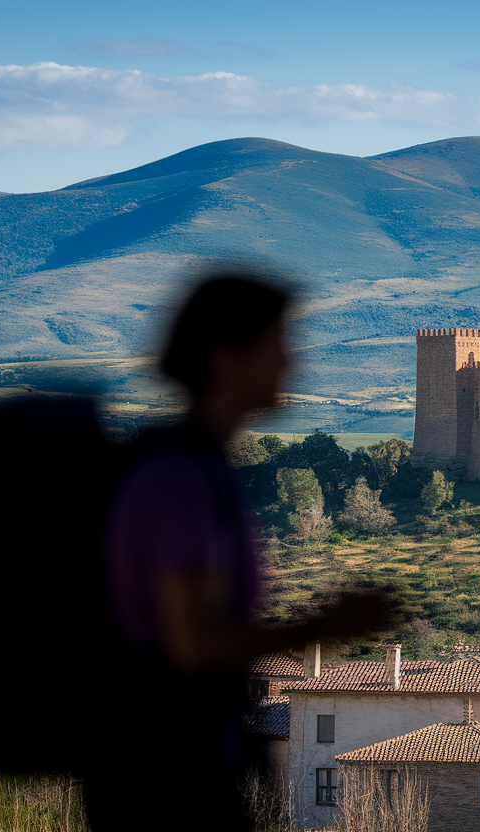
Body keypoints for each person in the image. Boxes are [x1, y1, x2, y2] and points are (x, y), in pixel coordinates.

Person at [84, 273, 401, 830]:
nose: (288, 365)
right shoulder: (184, 477)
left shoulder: (191, 464)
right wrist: (330, 623)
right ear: (224, 357)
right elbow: (192, 645)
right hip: (170, 770)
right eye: (275, 347)